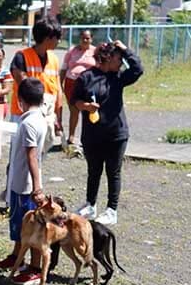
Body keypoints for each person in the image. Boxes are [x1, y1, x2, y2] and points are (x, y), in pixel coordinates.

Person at [72, 41, 143, 226]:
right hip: (92, 134)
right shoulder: (86, 77)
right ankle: (90, 205)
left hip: (116, 134)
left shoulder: (119, 77)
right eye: (119, 58)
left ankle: (112, 210)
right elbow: (75, 100)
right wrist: (86, 106)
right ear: (108, 58)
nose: (121, 63)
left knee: (113, 172)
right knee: (93, 171)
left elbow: (138, 69)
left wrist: (125, 50)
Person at [0, 78, 48, 285]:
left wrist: (37, 188)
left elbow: (32, 156)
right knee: (18, 224)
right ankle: (16, 257)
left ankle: (34, 268)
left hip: (25, 186)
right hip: (19, 181)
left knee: (30, 228)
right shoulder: (37, 118)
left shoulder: (29, 123)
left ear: (20, 99)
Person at [9, 16, 63, 139]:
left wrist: (58, 117)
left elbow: (58, 90)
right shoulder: (21, 57)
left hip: (47, 115)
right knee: (22, 150)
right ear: (47, 38)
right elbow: (25, 86)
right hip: (23, 115)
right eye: (57, 38)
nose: (59, 41)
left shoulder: (54, 59)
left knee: (42, 150)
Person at [60, 30, 96, 157]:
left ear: (91, 39)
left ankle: (88, 139)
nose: (85, 40)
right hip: (72, 83)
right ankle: (71, 136)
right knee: (74, 110)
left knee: (89, 111)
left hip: (88, 85)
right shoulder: (72, 51)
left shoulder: (95, 52)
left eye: (87, 38)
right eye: (83, 38)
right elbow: (64, 68)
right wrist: (60, 83)